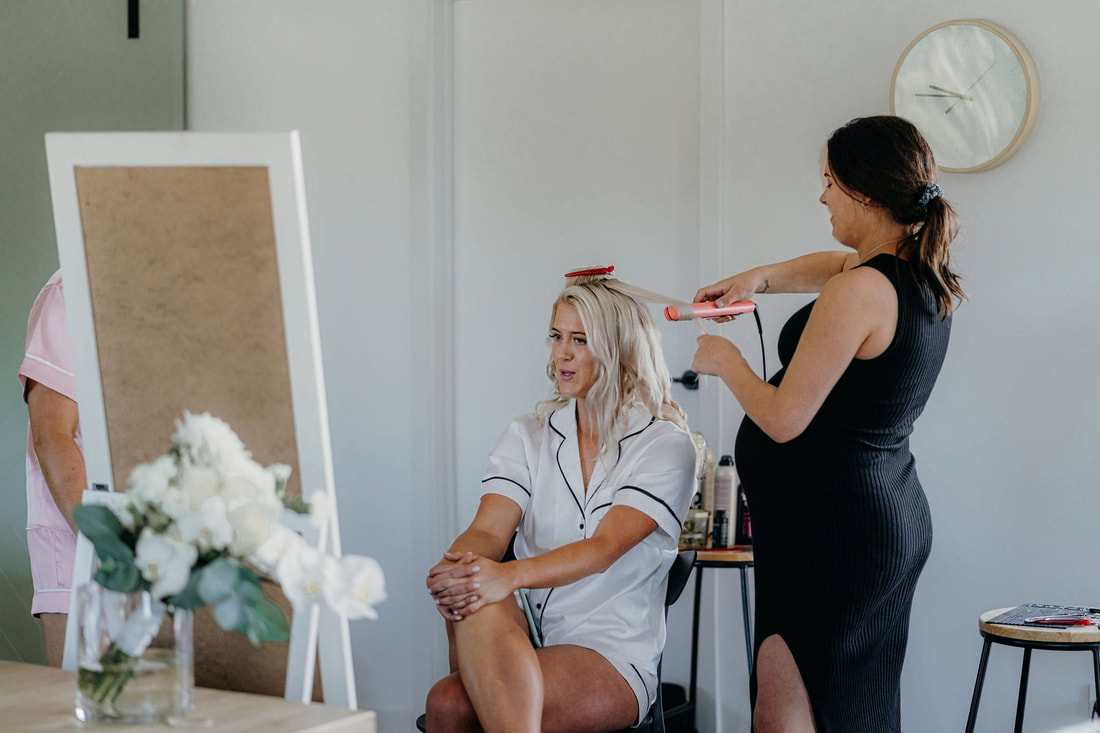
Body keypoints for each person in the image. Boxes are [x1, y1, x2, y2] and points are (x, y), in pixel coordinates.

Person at [691, 116, 964, 733]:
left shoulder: (862, 290)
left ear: (864, 193)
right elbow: (833, 265)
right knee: (842, 712)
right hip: (866, 522)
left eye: (830, 183)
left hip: (834, 533)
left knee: (788, 710)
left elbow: (785, 420)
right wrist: (758, 279)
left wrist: (726, 363)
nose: (822, 197)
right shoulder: (915, 276)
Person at [424, 269, 697, 733]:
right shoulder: (527, 434)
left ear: (618, 350)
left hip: (611, 655)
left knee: (452, 701)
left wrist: (504, 575)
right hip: (526, 635)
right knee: (467, 608)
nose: (563, 354)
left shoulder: (663, 445)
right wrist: (461, 567)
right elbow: (490, 530)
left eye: (581, 340)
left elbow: (603, 548)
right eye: (557, 336)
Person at [18, 269, 87, 667]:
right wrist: (114, 554)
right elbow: (52, 437)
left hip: (160, 551)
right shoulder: (70, 289)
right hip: (78, 546)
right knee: (85, 715)